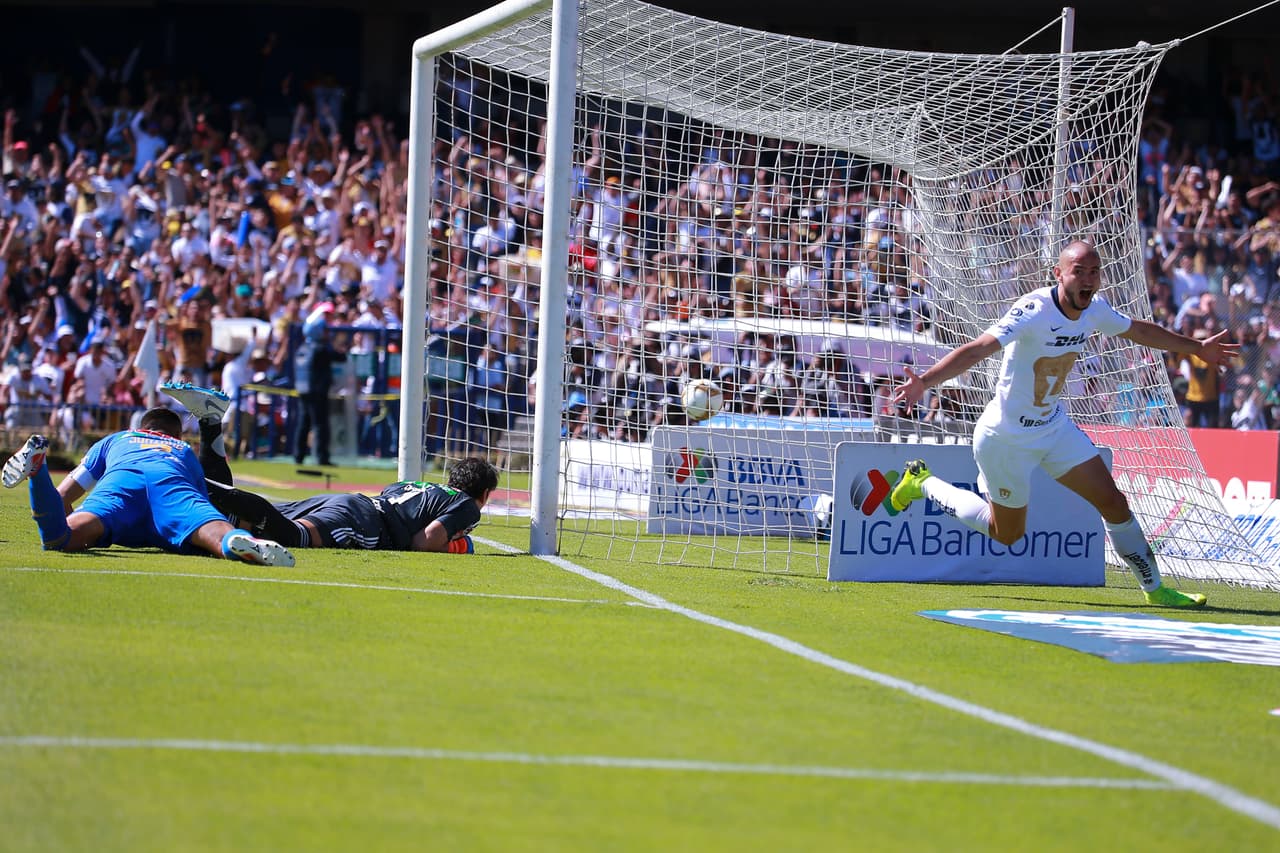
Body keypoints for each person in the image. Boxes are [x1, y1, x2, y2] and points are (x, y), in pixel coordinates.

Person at [890, 240, 1240, 608]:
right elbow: (978, 349)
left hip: (1053, 428)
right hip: (1005, 438)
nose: (1088, 280)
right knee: (1005, 533)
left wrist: (1196, 348)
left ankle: (1156, 590)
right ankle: (923, 483)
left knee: (1114, 501)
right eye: (1079, 271)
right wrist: (925, 382)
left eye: (1094, 272)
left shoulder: (1095, 310)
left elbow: (1140, 331)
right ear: (1058, 274)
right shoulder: (1033, 309)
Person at [161, 383, 496, 553]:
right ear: (483, 494)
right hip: (364, 521)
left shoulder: (419, 486)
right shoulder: (466, 505)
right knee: (293, 537)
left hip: (355, 502)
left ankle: (209, 424)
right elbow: (425, 541)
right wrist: (460, 545)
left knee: (242, 522)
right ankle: (192, 474)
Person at [1, 407, 294, 566]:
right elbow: (204, 504)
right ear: (176, 434)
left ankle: (37, 471)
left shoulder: (117, 439)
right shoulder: (181, 448)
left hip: (121, 487)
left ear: (142, 426)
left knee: (58, 539)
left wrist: (72, 523)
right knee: (211, 532)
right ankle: (235, 543)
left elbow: (64, 495)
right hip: (170, 484)